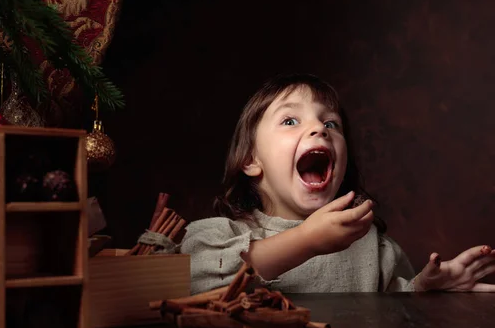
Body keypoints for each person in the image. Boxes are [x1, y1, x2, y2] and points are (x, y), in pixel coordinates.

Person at [179, 73, 495, 294]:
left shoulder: (373, 249)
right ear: (250, 160)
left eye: (331, 122)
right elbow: (193, 284)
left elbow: (398, 318)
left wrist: (424, 289)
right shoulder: (220, 236)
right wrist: (306, 241)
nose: (319, 128)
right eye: (290, 121)